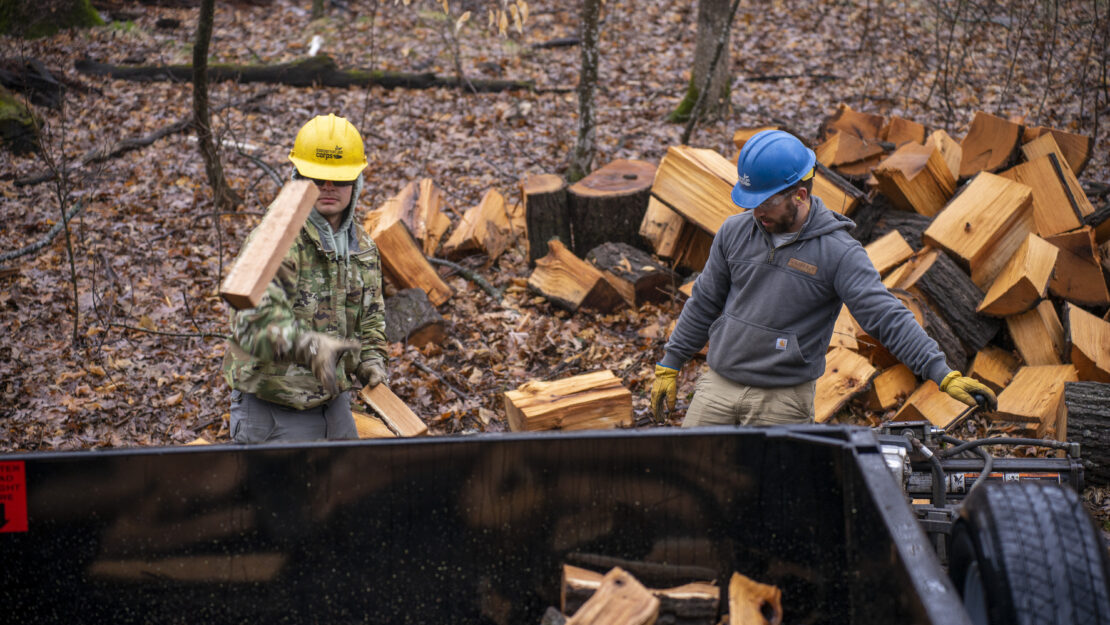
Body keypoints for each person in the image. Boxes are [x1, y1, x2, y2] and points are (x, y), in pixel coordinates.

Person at [650, 130, 996, 427]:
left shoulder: (838, 253)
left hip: (782, 399)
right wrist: (671, 363)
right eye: (750, 201)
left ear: (799, 195)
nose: (755, 212)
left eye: (765, 203)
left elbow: (885, 315)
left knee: (777, 499)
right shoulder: (734, 232)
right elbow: (705, 301)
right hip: (718, 387)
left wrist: (940, 371)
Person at [223, 114, 388, 443]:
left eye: (338, 179)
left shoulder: (361, 246)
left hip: (333, 406)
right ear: (299, 177)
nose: (328, 187)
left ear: (356, 182)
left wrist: (371, 360)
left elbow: (371, 318)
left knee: (346, 493)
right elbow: (250, 324)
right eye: (316, 177)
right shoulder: (274, 238)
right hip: (273, 410)